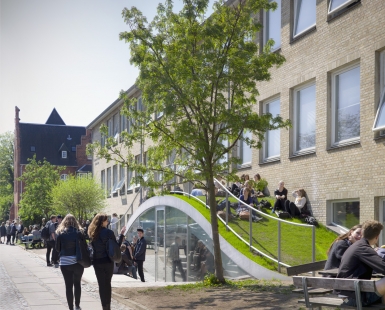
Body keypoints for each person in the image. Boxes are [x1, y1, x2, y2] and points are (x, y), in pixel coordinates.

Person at [337, 220, 385, 307]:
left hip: (348, 295)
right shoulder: (363, 248)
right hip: (355, 298)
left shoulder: (357, 246)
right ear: (377, 237)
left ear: (362, 232)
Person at [88, 213, 126, 310]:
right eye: (106, 220)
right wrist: (121, 235)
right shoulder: (109, 232)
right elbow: (116, 247)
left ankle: (103, 306)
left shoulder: (93, 233)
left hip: (97, 262)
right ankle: (107, 307)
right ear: (102, 222)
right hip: (108, 262)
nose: (108, 221)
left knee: (101, 285)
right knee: (107, 284)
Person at [55, 214, 86, 310]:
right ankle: (77, 305)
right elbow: (84, 246)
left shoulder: (60, 233)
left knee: (68, 286)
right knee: (77, 284)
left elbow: (57, 248)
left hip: (65, 263)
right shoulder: (79, 232)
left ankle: (70, 307)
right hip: (78, 262)